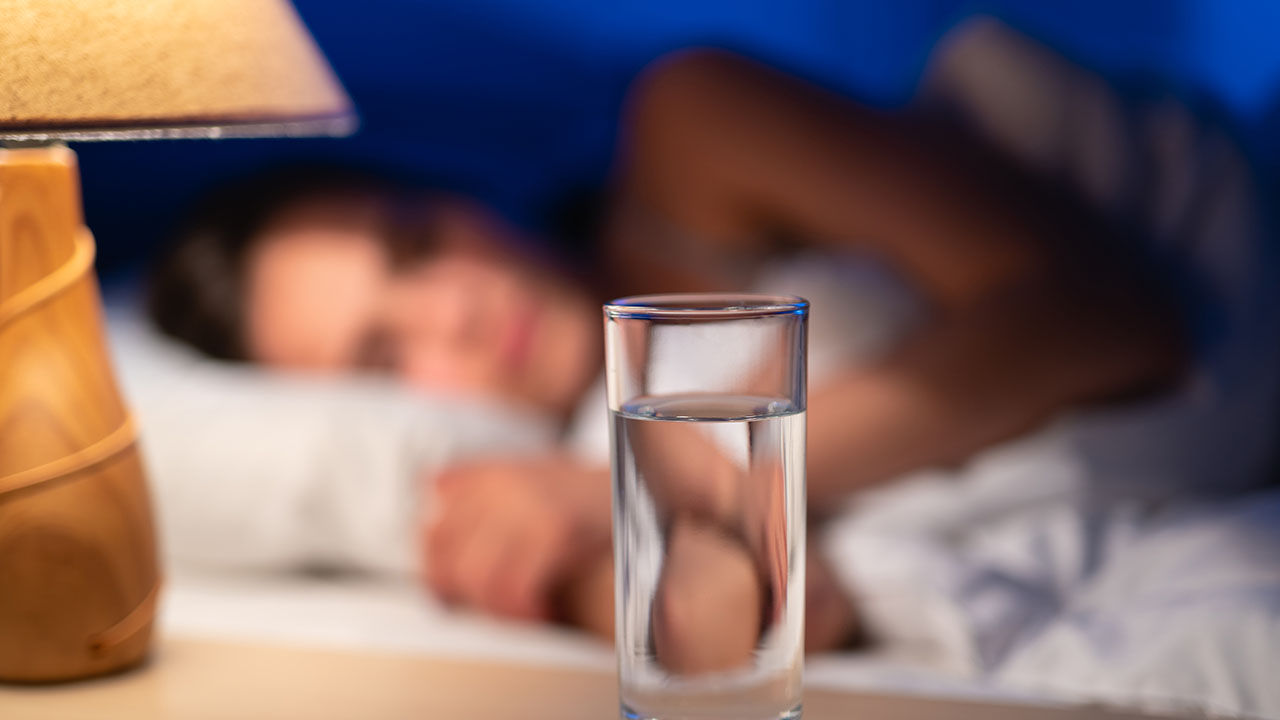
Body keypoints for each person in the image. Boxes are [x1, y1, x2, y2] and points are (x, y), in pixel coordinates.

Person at [152, 20, 1269, 671]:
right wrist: (585, 556)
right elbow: (771, 618)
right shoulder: (579, 459)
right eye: (385, 362)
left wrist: (665, 473)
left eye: (415, 245)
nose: (449, 311)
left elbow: (1105, 310)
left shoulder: (686, 136)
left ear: (457, 197)